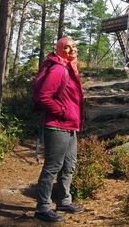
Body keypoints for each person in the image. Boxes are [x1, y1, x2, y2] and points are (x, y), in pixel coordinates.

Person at [34, 36, 84, 223]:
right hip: (56, 125)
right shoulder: (58, 69)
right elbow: (43, 97)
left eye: (74, 47)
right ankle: (42, 207)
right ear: (59, 49)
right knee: (53, 167)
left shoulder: (70, 68)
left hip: (70, 126)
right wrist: (62, 111)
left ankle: (64, 201)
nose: (72, 50)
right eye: (67, 47)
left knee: (69, 165)